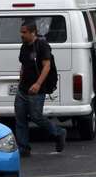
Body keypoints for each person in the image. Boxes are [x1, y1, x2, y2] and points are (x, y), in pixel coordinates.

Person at [14, 20, 66, 157]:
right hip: (23, 89)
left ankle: (58, 133)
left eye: (24, 32)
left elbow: (47, 66)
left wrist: (37, 84)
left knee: (36, 117)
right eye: (21, 32)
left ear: (33, 32)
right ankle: (23, 147)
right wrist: (20, 80)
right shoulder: (24, 46)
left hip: (37, 90)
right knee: (20, 119)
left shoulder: (42, 45)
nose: (21, 35)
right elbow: (24, 64)